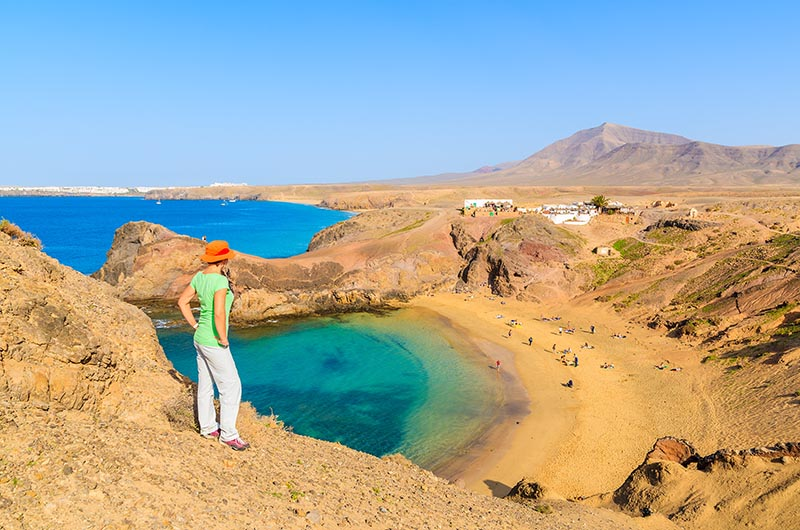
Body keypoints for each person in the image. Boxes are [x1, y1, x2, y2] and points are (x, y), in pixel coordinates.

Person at [178, 240, 250, 451]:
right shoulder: (219, 282)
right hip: (213, 341)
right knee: (231, 386)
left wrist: (194, 324)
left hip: (199, 338)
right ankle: (228, 435)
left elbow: (182, 302)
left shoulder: (199, 277)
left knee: (206, 384)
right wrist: (223, 337)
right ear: (223, 260)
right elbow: (219, 313)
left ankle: (208, 427)